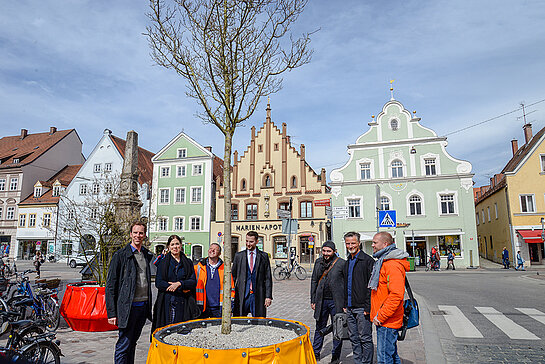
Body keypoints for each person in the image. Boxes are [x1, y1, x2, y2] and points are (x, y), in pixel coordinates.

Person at [106, 221, 154, 364]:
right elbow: (110, 285)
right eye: (135, 233)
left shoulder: (146, 254)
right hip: (127, 307)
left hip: (143, 306)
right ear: (130, 234)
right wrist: (112, 312)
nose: (138, 236)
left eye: (141, 233)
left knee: (133, 343)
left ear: (144, 235)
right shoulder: (121, 255)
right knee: (123, 344)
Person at [369, 232, 410, 364]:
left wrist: (380, 316)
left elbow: (397, 295)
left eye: (375, 242)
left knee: (384, 359)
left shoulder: (392, 265)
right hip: (385, 319)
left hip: (387, 320)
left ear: (385, 244)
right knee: (391, 355)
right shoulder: (383, 261)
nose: (372, 245)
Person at [152, 235, 198, 332]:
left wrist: (179, 284)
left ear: (181, 246)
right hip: (167, 302)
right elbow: (159, 283)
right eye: (172, 244)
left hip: (184, 302)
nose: (175, 247)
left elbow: (193, 282)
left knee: (182, 331)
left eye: (177, 244)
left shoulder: (188, 262)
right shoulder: (163, 262)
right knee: (167, 331)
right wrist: (172, 286)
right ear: (168, 247)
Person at [310, 241, 345, 363]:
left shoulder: (341, 263)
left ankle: (335, 356)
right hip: (321, 301)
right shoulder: (318, 262)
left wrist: (345, 303)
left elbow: (346, 285)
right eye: (324, 251)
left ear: (334, 251)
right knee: (319, 326)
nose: (326, 253)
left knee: (337, 329)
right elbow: (314, 281)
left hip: (337, 302)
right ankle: (315, 352)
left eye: (328, 251)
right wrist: (313, 299)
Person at [343, 232, 375, 364]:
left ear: (359, 243)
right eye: (348, 243)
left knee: (365, 338)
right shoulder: (348, 261)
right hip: (350, 308)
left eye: (353, 243)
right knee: (354, 338)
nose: (350, 246)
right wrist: (345, 304)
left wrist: (368, 307)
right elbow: (346, 285)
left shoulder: (367, 261)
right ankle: (358, 362)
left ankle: (367, 362)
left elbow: (371, 287)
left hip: (362, 308)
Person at [232, 231, 273, 317]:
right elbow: (233, 277)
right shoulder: (238, 256)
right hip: (242, 295)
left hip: (258, 295)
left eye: (251, 242)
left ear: (257, 241)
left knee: (259, 322)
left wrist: (268, 296)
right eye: (247, 241)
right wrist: (232, 295)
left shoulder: (263, 257)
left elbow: (268, 278)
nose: (248, 244)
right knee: (239, 323)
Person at [194, 243, 234, 318]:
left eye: (215, 249)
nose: (212, 250)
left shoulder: (225, 269)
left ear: (219, 253)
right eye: (210, 248)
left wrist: (230, 305)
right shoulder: (198, 267)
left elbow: (231, 288)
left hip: (219, 308)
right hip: (202, 307)